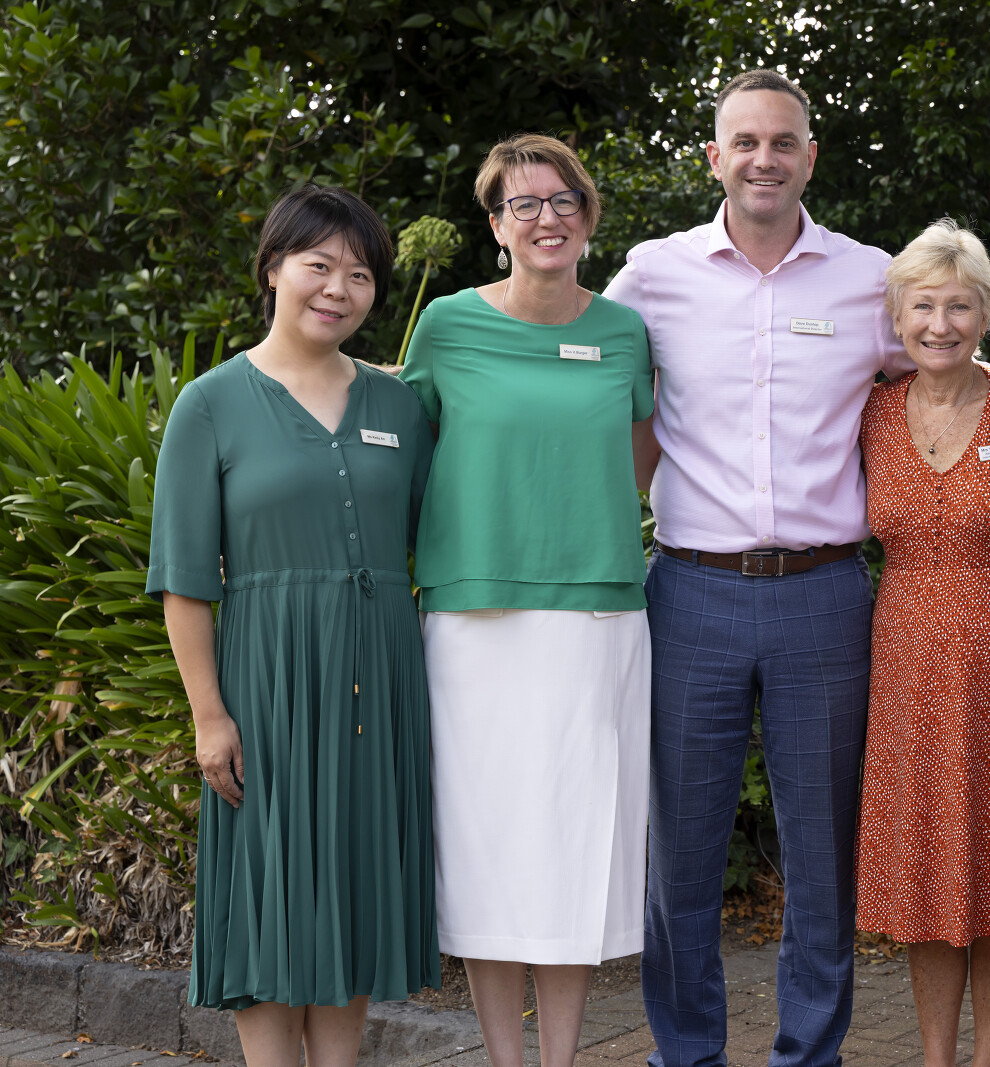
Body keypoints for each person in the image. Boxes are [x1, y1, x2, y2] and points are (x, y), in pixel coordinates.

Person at [602, 70, 913, 1067]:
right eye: (745, 142)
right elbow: (573, 364)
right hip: (689, 589)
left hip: (826, 594)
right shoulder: (653, 275)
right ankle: (685, 1052)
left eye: (783, 142)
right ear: (714, 157)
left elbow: (944, 375)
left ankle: (808, 1054)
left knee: (822, 853)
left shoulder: (871, 277)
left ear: (810, 157)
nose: (764, 159)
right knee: (682, 852)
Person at [147, 184, 437, 1067]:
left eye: (361, 274)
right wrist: (209, 715)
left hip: (380, 682)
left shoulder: (399, 406)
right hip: (269, 685)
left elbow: (441, 539)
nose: (339, 288)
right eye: (320, 265)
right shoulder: (210, 403)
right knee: (270, 896)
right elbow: (184, 582)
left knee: (351, 889)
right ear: (273, 268)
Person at [398, 134, 654, 1067]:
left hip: (596, 617)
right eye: (524, 204)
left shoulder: (624, 331)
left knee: (574, 850)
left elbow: (638, 459)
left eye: (563, 200)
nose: (547, 218)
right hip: (473, 622)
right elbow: (408, 453)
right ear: (496, 225)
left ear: (588, 216)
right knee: (487, 851)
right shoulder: (446, 326)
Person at [853, 220, 990, 1067]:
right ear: (897, 316)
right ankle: (937, 1056)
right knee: (924, 868)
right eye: (922, 306)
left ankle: (989, 1058)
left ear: (986, 313)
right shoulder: (873, 411)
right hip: (906, 666)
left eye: (958, 306)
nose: (939, 324)